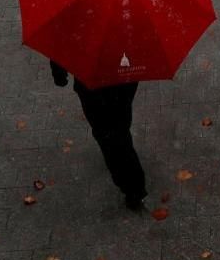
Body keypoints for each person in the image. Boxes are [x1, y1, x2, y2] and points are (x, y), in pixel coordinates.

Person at [51, 60, 148, 210]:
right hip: (123, 78)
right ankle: (132, 181)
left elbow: (59, 43)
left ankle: (132, 187)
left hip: (92, 87)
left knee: (106, 134)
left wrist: (59, 75)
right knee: (120, 124)